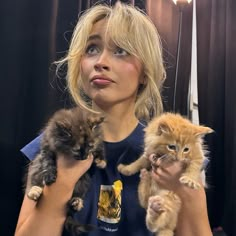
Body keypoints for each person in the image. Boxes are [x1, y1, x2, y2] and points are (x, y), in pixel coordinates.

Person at [15, 2, 213, 236]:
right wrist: (60, 186)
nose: (101, 62)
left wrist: (189, 197)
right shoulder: (53, 142)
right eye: (92, 49)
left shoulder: (174, 153)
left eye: (120, 51)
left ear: (145, 71)